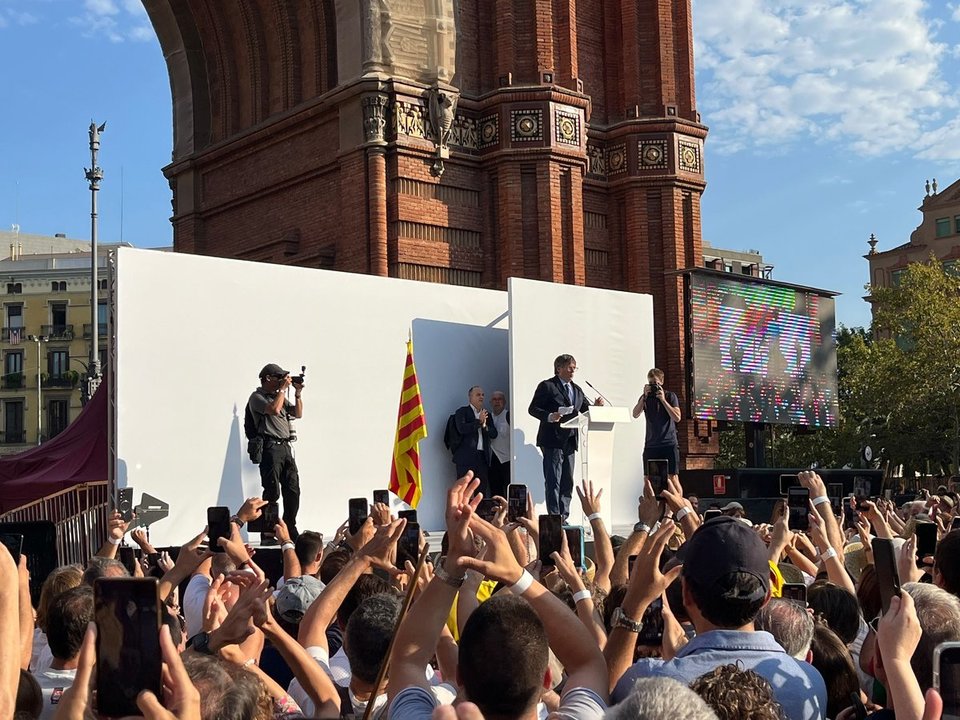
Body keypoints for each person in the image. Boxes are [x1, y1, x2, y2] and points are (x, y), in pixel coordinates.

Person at [607, 516, 827, 720]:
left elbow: (603, 691)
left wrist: (634, 603)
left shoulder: (647, 683)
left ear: (686, 594)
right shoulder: (810, 682)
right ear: (767, 594)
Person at [528, 354, 602, 518]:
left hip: (570, 440)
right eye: (569, 367)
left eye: (574, 367)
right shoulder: (548, 386)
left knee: (567, 481)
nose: (572, 371)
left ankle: (564, 516)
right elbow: (533, 408)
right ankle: (554, 517)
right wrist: (549, 416)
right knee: (554, 480)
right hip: (552, 439)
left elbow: (584, 411)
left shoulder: (577, 389)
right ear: (559, 368)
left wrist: (595, 408)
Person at [247, 363, 304, 540]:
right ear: (268, 378)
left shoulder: (278, 396)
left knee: (293, 489)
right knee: (272, 491)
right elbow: (273, 410)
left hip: (286, 446)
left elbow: (298, 413)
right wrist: (282, 390)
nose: (281, 381)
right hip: (270, 447)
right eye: (278, 378)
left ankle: (289, 525)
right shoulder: (257, 397)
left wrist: (297, 393)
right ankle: (268, 529)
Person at [632, 368, 681, 481]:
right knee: (648, 478)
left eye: (656, 383)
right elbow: (635, 414)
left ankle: (677, 498)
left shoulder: (670, 396)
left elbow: (677, 417)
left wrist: (663, 400)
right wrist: (644, 397)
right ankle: (651, 498)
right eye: (651, 383)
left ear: (662, 382)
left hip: (668, 443)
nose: (654, 386)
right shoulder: (645, 398)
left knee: (672, 477)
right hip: (651, 444)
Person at [452, 387, 498, 497]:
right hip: (465, 458)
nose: (481, 397)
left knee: (481, 490)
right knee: (463, 490)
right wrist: (478, 422)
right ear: (470, 397)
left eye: (482, 394)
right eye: (478, 395)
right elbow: (462, 428)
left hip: (482, 458)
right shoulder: (462, 412)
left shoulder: (486, 414)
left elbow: (494, 434)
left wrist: (484, 425)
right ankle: (462, 513)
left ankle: (479, 514)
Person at [488, 390, 511, 499]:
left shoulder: (509, 416)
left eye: (499, 399)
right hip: (493, 459)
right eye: (494, 399)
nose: (497, 402)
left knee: (508, 490)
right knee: (495, 491)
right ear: (490, 402)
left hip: (507, 460)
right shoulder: (487, 417)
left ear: (505, 402)